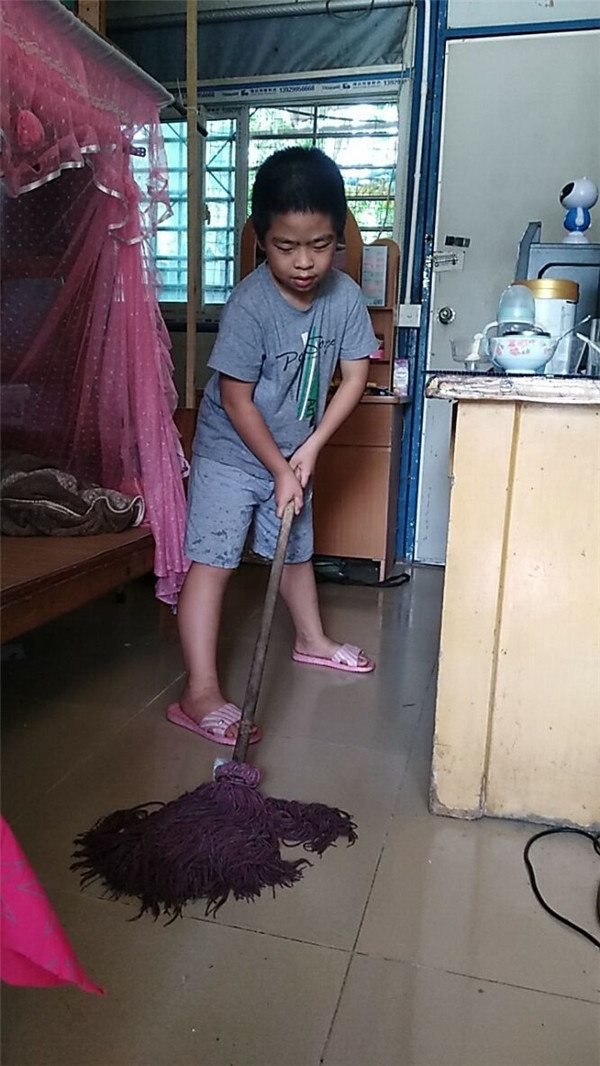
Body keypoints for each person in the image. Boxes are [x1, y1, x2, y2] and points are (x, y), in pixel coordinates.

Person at [168, 146, 378, 746]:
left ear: (339, 237)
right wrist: (279, 467)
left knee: (295, 550)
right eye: (287, 247)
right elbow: (236, 401)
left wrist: (309, 451)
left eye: (321, 245)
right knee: (213, 561)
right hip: (232, 452)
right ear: (261, 239)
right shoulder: (250, 304)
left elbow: (356, 376)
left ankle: (311, 640)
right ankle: (199, 692)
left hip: (292, 450)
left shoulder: (344, 298)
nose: (305, 262)